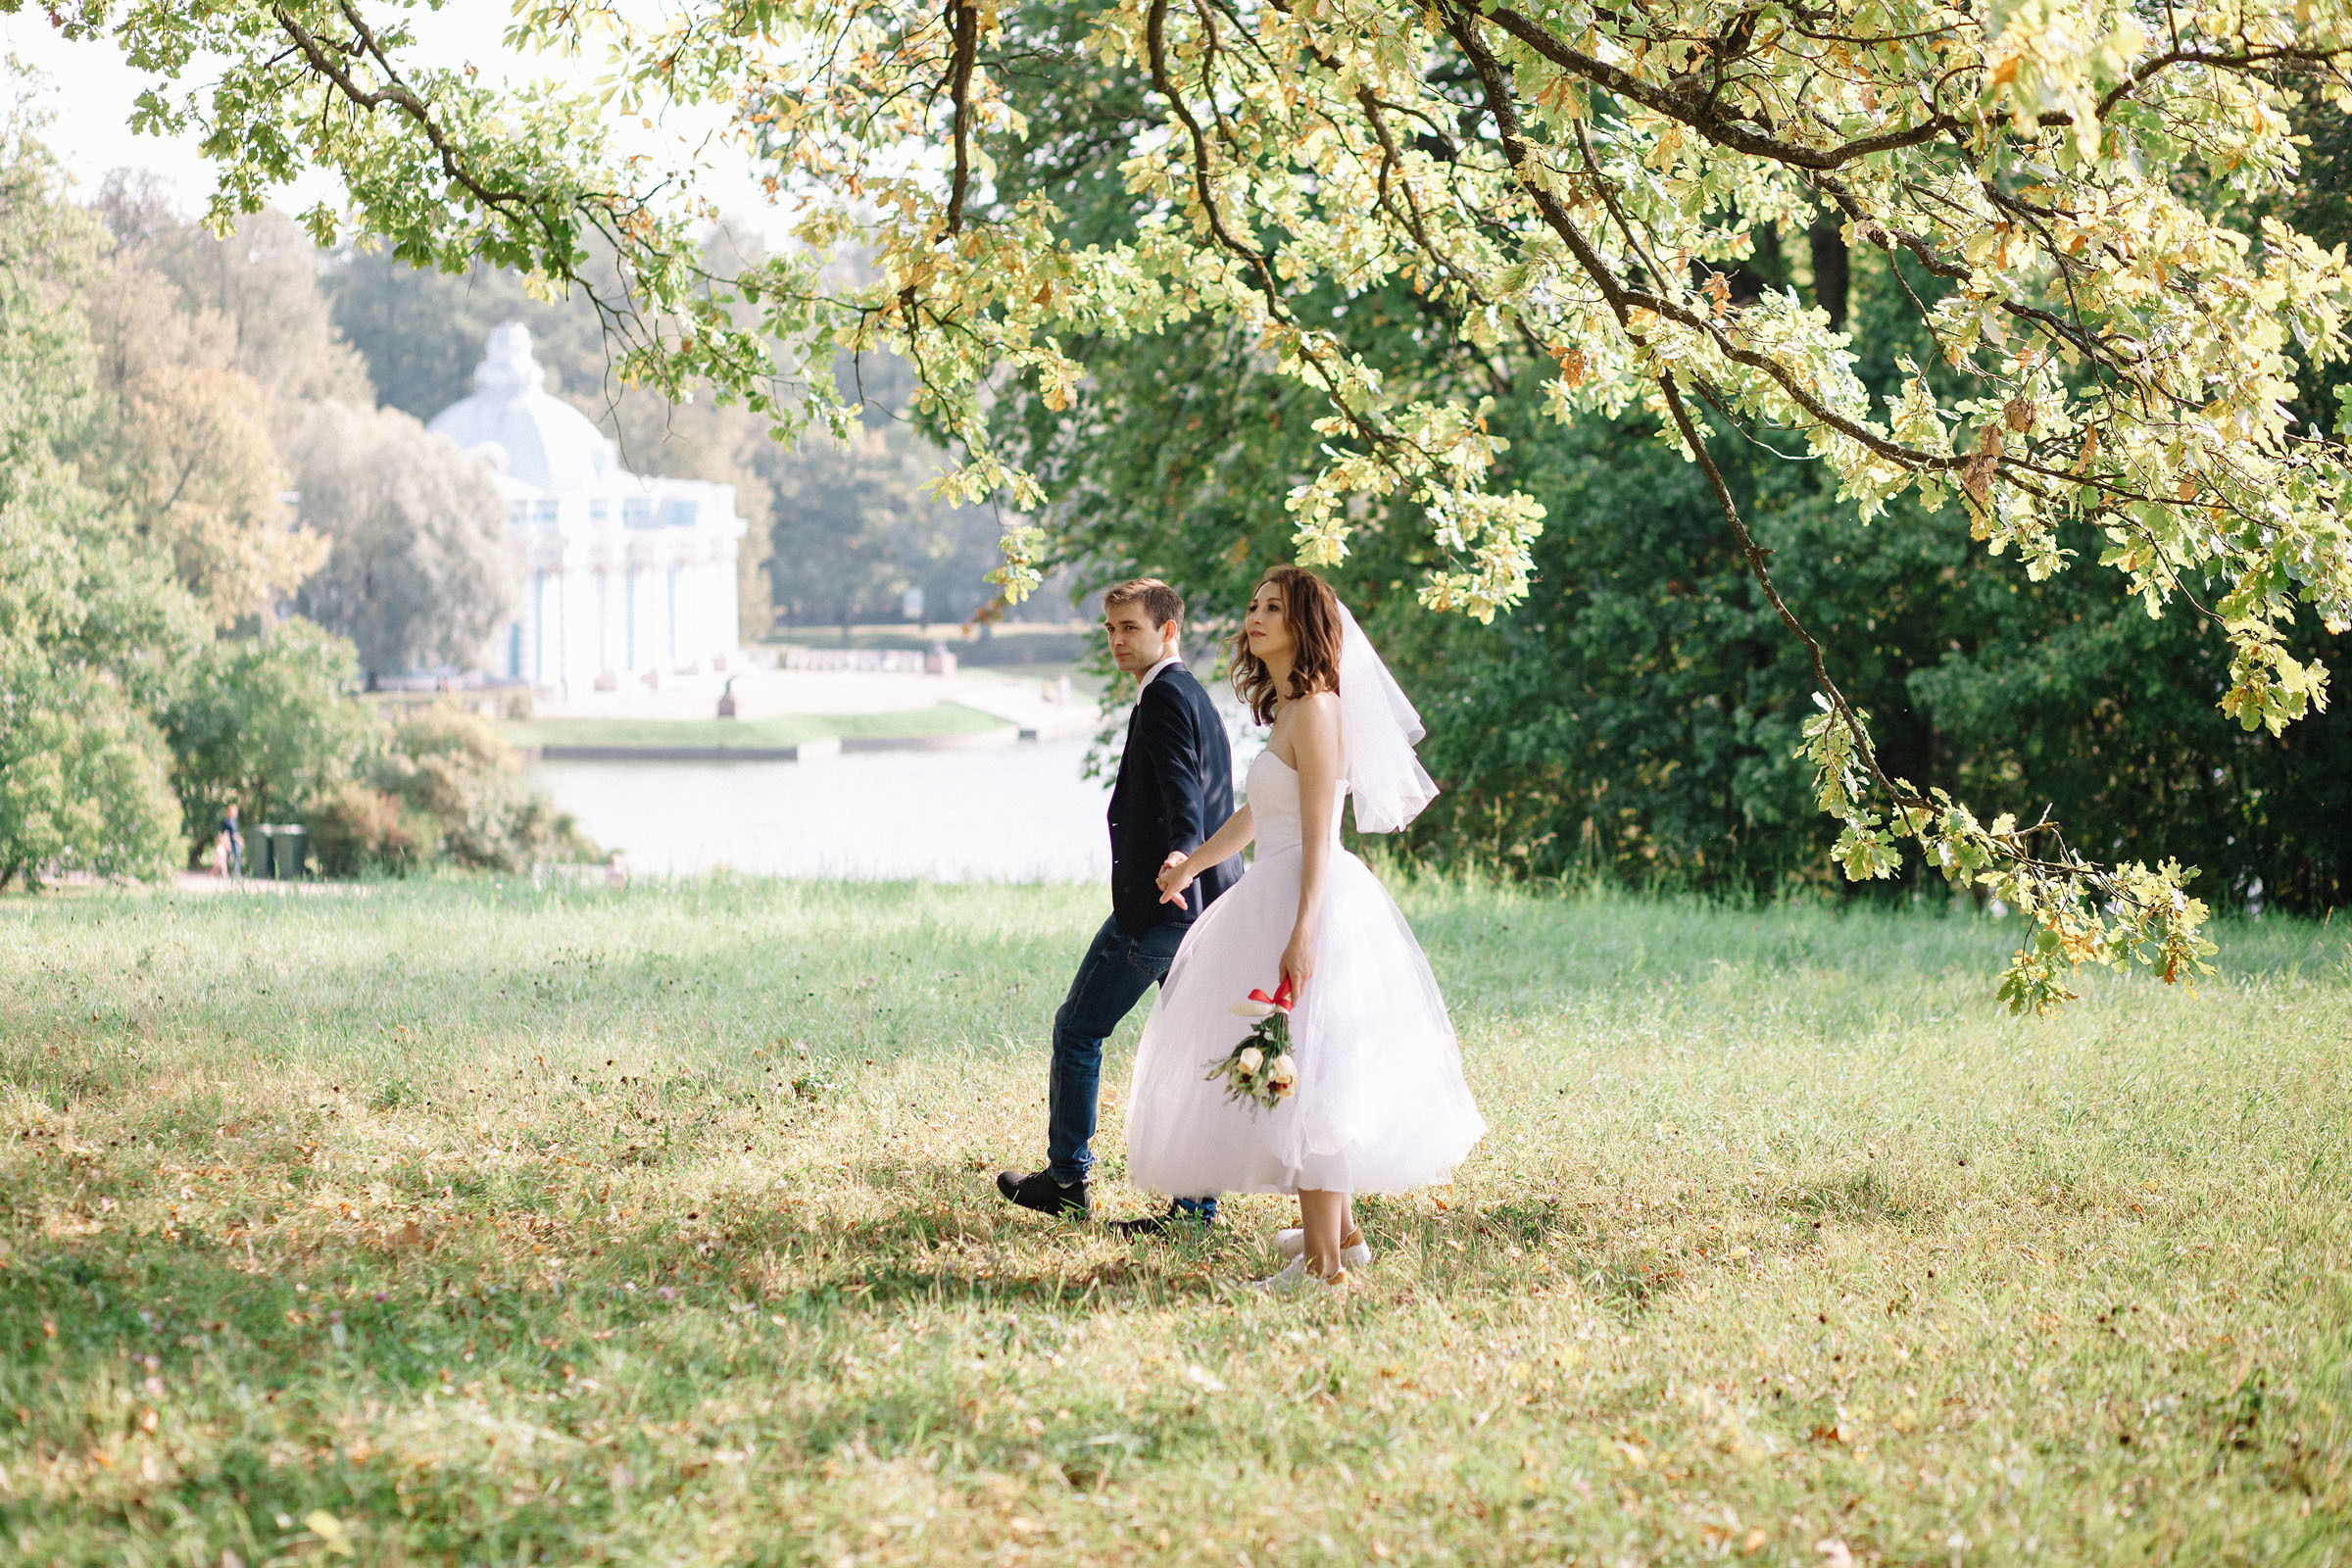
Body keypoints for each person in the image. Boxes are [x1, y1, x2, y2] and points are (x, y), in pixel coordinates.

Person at [1126, 565, 1485, 1289]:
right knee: (1297, 1065)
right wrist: (1193, 864)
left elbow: (1321, 833)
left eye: (1273, 609)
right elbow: (1260, 815)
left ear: (1305, 627)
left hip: (1309, 895)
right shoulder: (1290, 709)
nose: (1253, 618)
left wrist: (1304, 931)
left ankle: (1324, 1269)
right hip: (1276, 888)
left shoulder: (1319, 710)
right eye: (1253, 605)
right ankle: (1340, 1235)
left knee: (1315, 1075)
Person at [996, 579, 1239, 1232]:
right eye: (1109, 630)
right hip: (1201, 901)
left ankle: (1068, 1179)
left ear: (1168, 630)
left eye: (1130, 627)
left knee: (1078, 1029)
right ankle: (1194, 1210)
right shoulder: (1190, 692)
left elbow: (1186, 791)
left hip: (1164, 902)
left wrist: (1181, 852)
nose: (1117, 640)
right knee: (1193, 1049)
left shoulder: (1163, 696)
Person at [218, 802, 244, 879]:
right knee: (232, 857)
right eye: (234, 811)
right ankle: (235, 873)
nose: (236, 812)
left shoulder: (233, 821)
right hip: (230, 843)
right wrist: (240, 841)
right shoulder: (229, 821)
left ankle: (230, 872)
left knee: (230, 858)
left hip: (231, 842)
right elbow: (233, 835)